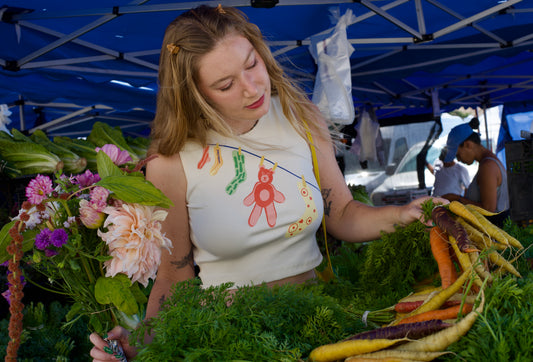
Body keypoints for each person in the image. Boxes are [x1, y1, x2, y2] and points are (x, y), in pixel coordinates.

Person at [89, 5, 443, 360]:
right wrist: (145, 343)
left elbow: (344, 214)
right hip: (231, 338)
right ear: (194, 94)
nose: (251, 87)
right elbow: (172, 274)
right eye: (225, 84)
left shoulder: (299, 114)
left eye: (251, 64)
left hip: (318, 322)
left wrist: (401, 215)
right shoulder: (170, 160)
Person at [440, 120, 509, 216]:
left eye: (458, 155)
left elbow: (489, 209)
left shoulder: (488, 167)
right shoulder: (488, 162)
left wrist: (456, 199)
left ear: (468, 145)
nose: (459, 160)